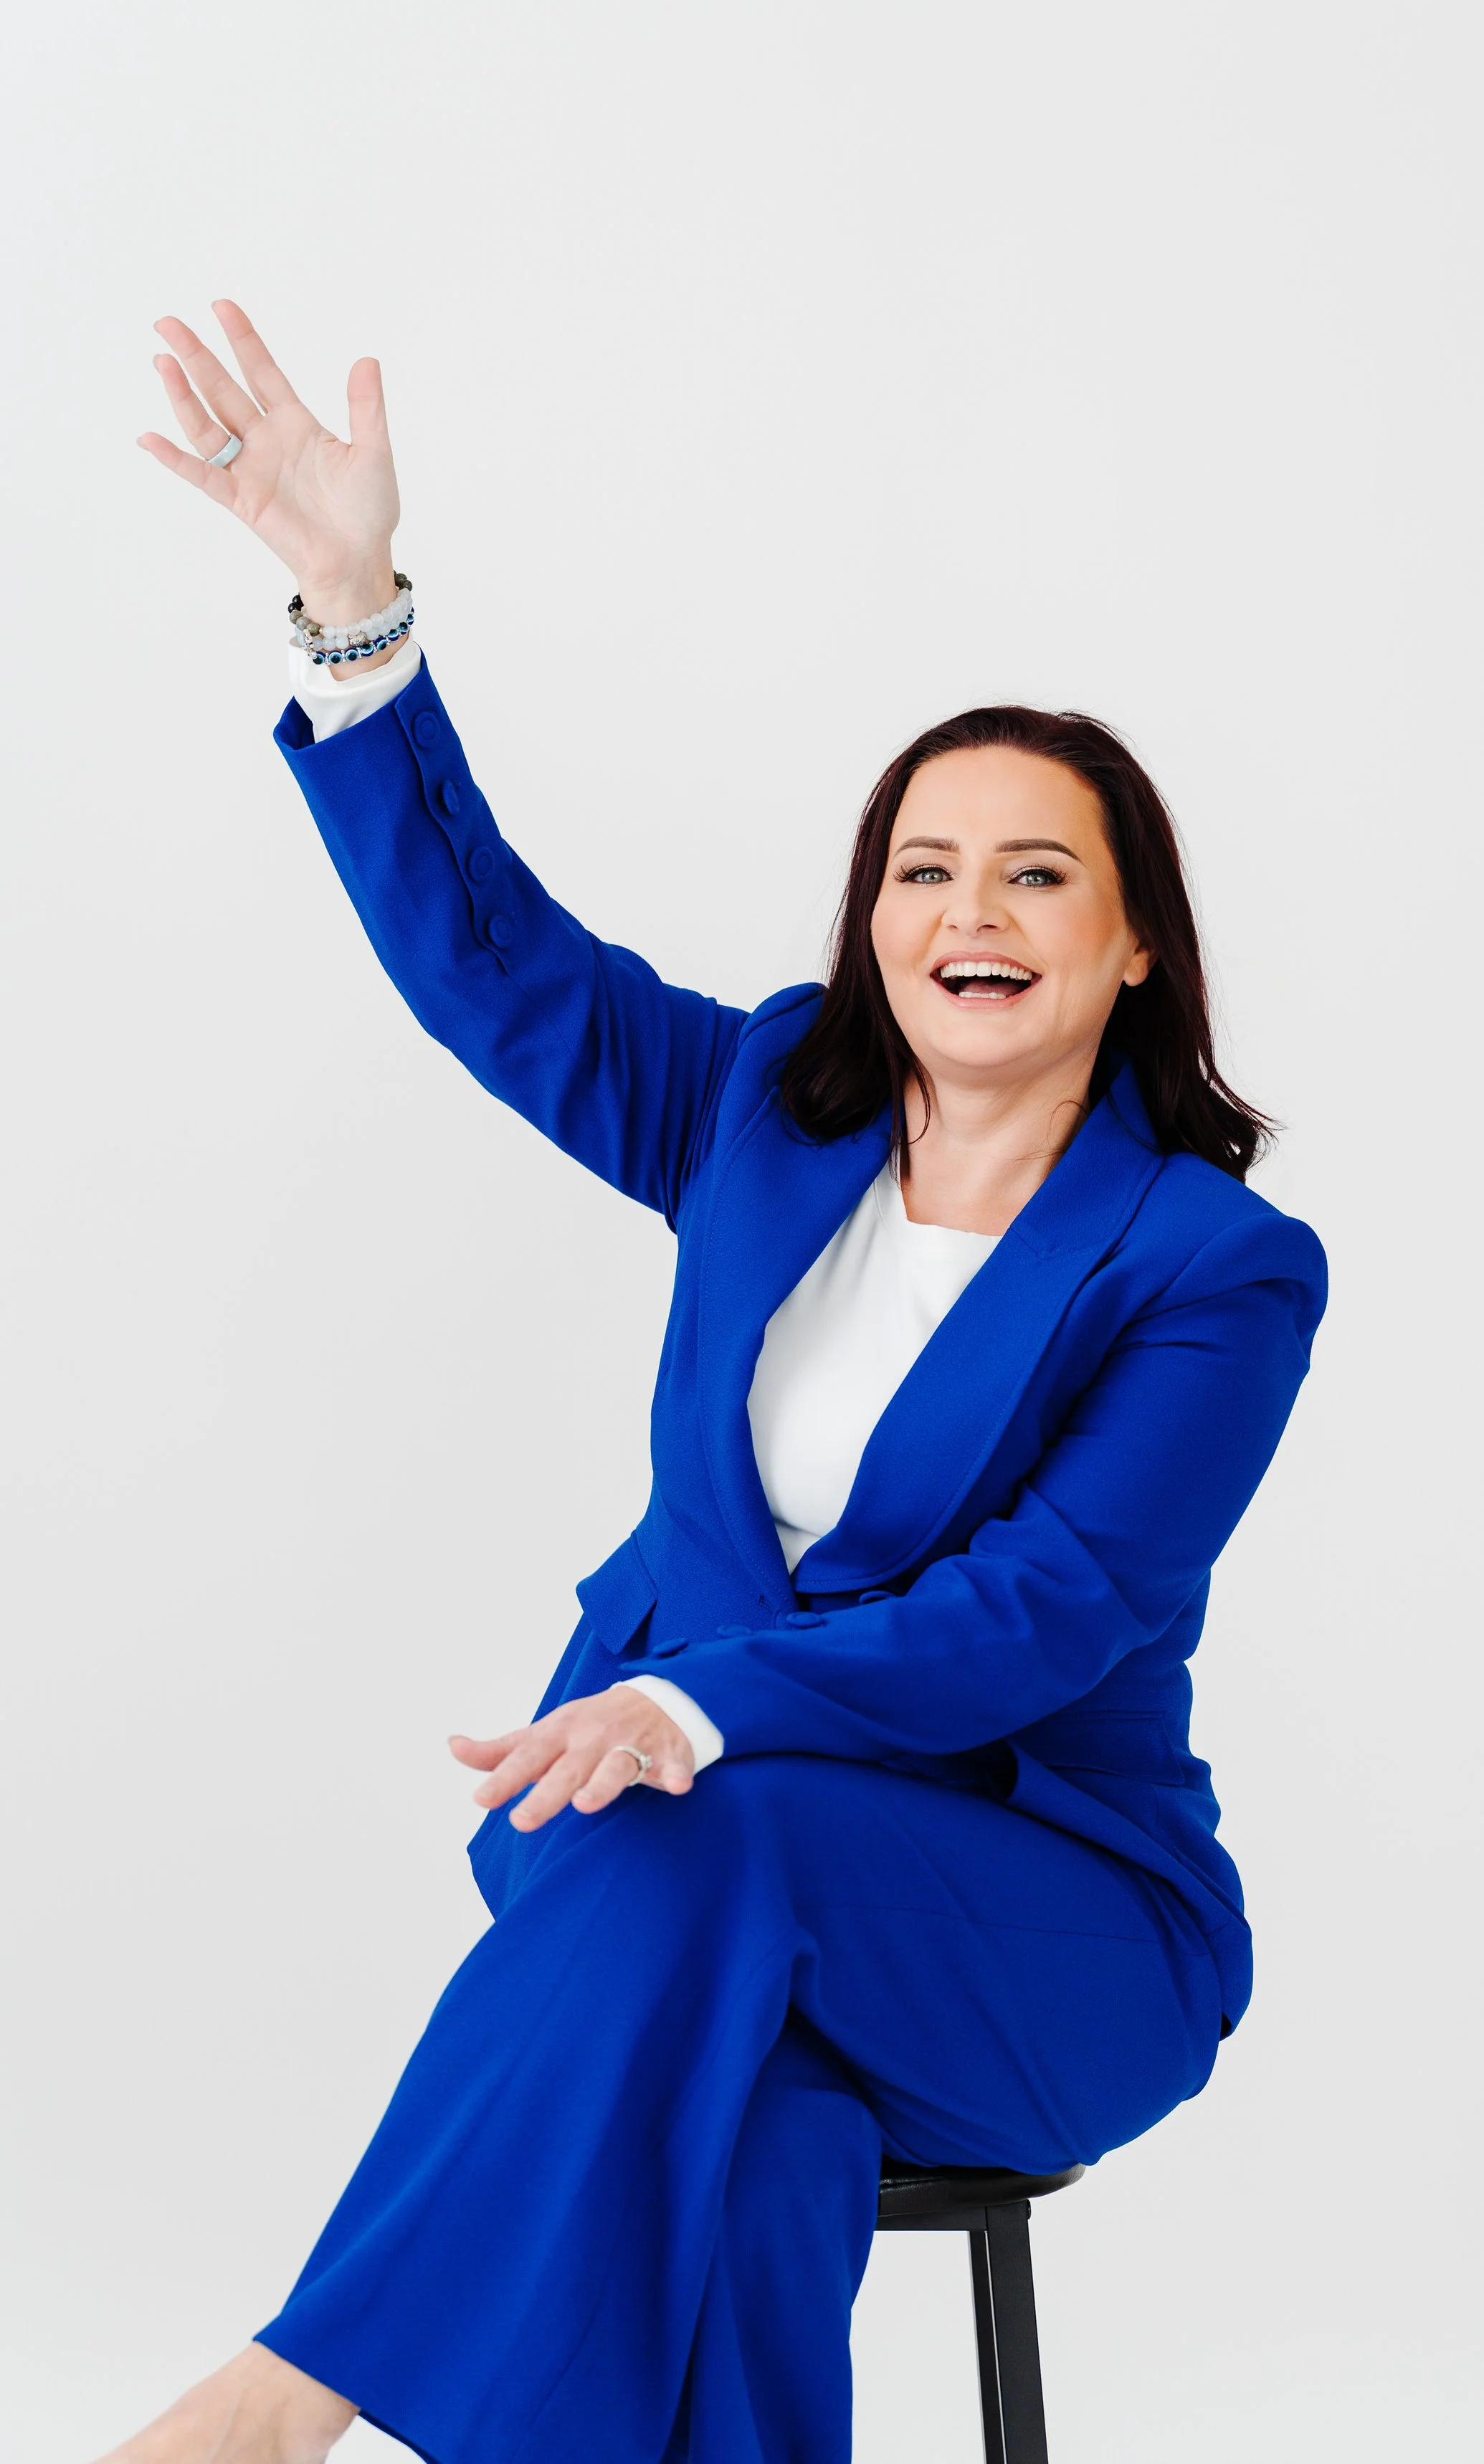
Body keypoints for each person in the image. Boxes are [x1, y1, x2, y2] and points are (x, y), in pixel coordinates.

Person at [114, 302, 1327, 2464]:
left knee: (713, 1824)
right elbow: (502, 969)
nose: (971, 909)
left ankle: (265, 2409)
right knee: (742, 2158)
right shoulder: (766, 1105)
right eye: (923, 868)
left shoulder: (1210, 1270)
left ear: (1133, 940)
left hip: (1037, 1928)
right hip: (667, 1867)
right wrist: (354, 611)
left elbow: (1042, 1608)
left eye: (1038, 874)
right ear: (872, 919)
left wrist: (689, 1703)